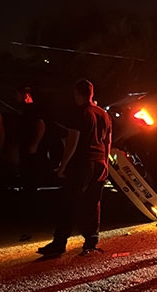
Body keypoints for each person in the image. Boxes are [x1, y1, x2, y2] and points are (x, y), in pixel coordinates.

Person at [38, 79, 112, 257]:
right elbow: (108, 140)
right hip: (100, 162)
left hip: (82, 163)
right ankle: (91, 240)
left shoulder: (80, 113)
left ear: (77, 93)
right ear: (92, 93)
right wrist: (105, 163)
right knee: (93, 202)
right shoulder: (103, 114)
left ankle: (59, 243)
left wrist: (63, 165)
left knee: (69, 202)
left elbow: (73, 140)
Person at [12, 86, 45, 209]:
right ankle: (28, 200)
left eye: (17, 95)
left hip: (31, 148)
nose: (15, 98)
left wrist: (35, 144)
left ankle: (32, 202)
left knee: (30, 175)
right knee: (26, 174)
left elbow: (41, 125)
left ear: (25, 95)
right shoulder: (23, 109)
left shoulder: (33, 109)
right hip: (25, 146)